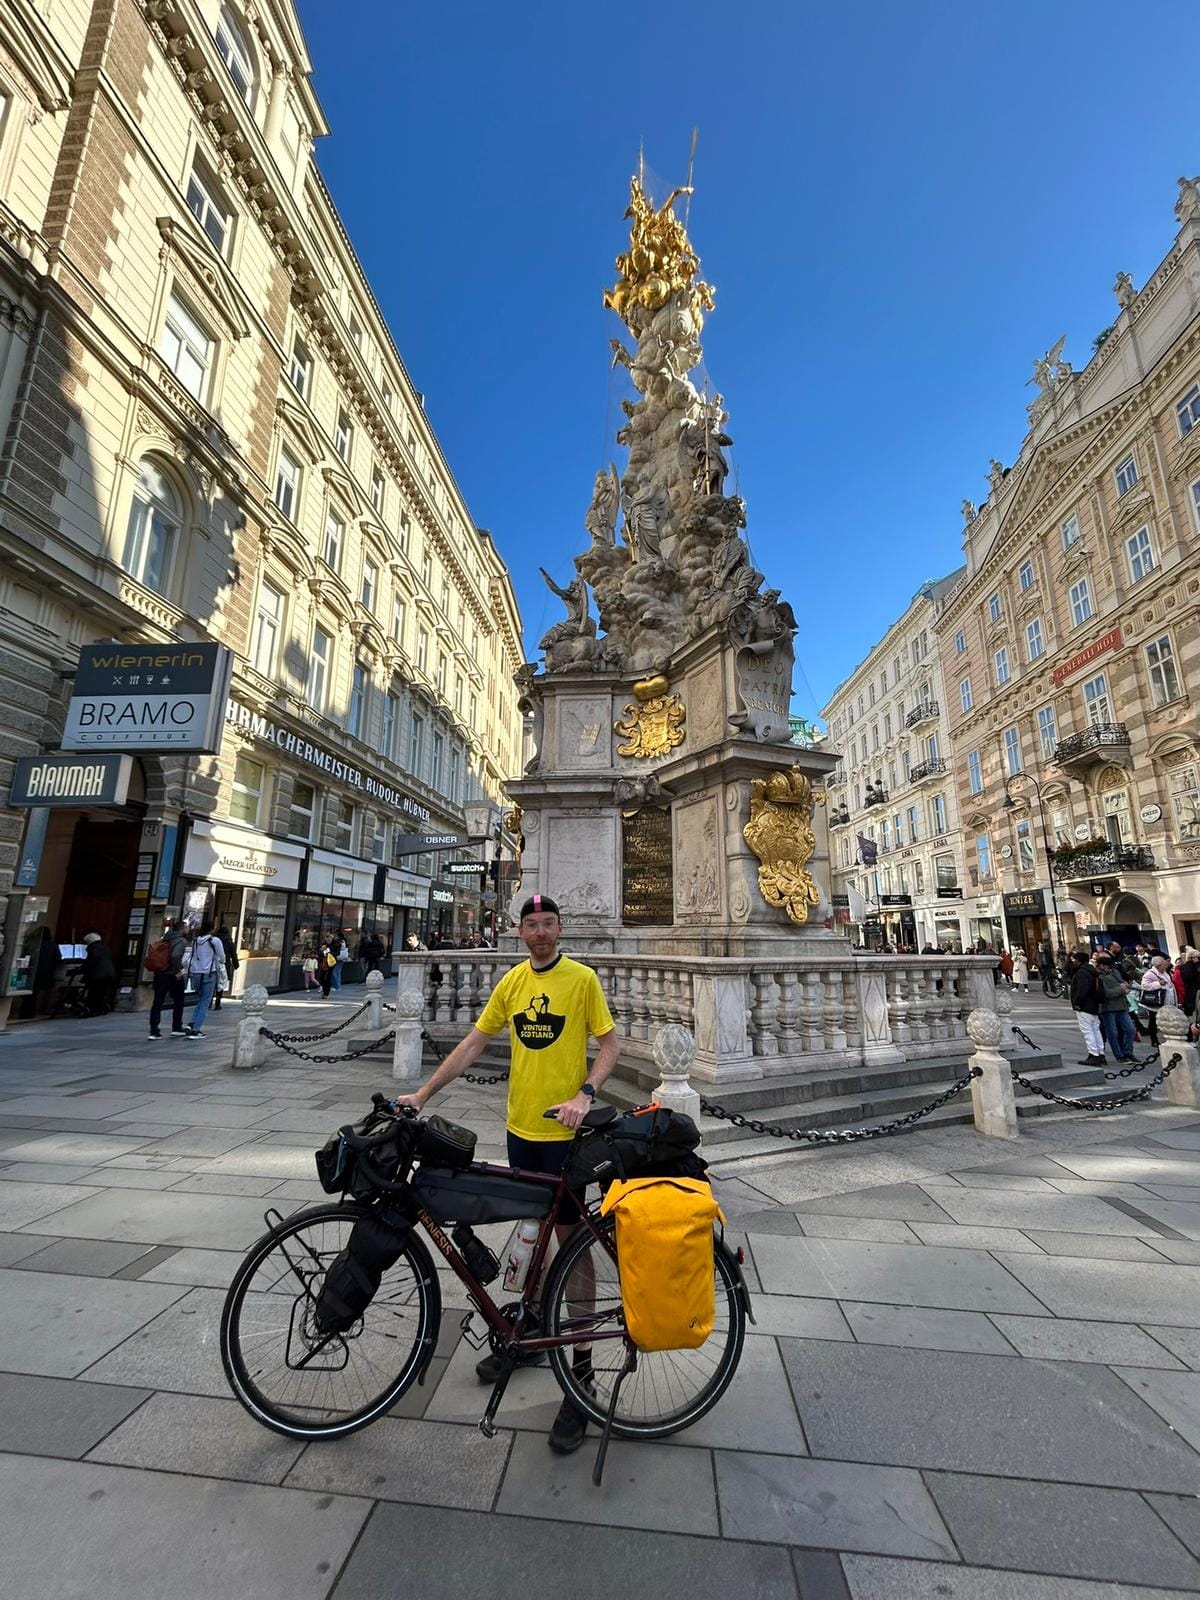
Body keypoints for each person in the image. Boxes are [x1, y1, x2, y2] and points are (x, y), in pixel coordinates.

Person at [395, 893, 620, 1457]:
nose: (540, 932)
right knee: (532, 1234)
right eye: (531, 924)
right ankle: (533, 1337)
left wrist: (584, 1093)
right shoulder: (513, 983)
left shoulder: (581, 980)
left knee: (572, 1243)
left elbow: (610, 1045)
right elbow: (474, 1043)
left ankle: (584, 1371)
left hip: (566, 1138)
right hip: (521, 1130)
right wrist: (423, 1093)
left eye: (548, 924)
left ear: (559, 928)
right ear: (519, 931)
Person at [147, 921, 189, 1039]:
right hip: (172, 975)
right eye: (186, 928)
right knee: (179, 1001)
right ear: (182, 929)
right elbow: (176, 956)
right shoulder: (180, 940)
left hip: (160, 974)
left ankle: (154, 1030)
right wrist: (177, 972)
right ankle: (176, 1027)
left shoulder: (165, 938)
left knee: (157, 1002)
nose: (188, 930)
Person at [185, 919, 225, 1038]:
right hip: (208, 972)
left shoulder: (195, 941)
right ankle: (196, 1029)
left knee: (201, 999)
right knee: (205, 1001)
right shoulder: (214, 940)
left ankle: (192, 1023)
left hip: (196, 973)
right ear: (212, 928)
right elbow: (221, 956)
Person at [1095, 952, 1136, 1063]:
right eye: (1107, 965)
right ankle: (1119, 1055)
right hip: (1108, 1008)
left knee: (1130, 1030)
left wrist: (1126, 986)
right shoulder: (1098, 976)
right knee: (1112, 1033)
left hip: (1122, 1005)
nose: (1109, 968)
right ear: (1102, 965)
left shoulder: (1114, 972)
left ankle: (1128, 1052)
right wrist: (1121, 989)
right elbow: (1106, 993)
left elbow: (1122, 982)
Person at [1068, 948, 1106, 1066]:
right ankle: (1100, 1053)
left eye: (1074, 960)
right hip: (1093, 1003)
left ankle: (1094, 1054)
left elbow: (1082, 989)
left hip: (1085, 1005)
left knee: (1088, 1030)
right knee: (1095, 1029)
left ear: (1078, 961)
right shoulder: (1091, 971)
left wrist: (1077, 1003)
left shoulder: (1081, 972)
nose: (1073, 962)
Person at [1137, 955, 1174, 1049]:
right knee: (1153, 1020)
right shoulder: (1150, 973)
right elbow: (1144, 986)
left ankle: (1170, 1037)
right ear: (1158, 965)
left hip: (1167, 1000)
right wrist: (1158, 984)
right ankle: (1154, 1040)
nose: (1166, 965)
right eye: (1164, 964)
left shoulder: (1165, 972)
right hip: (1156, 1002)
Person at [80, 933, 116, 1016]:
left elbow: (91, 961)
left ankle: (93, 1010)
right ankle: (101, 1008)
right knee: (101, 992)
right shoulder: (105, 947)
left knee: (94, 992)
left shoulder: (93, 948)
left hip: (98, 974)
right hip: (108, 973)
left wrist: (82, 969)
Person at [211, 925, 239, 1010]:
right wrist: (236, 963)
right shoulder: (228, 941)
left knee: (212, 982)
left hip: (213, 963)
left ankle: (209, 1001)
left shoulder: (213, 940)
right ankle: (218, 1002)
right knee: (221, 982)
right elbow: (233, 953)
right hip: (224, 963)